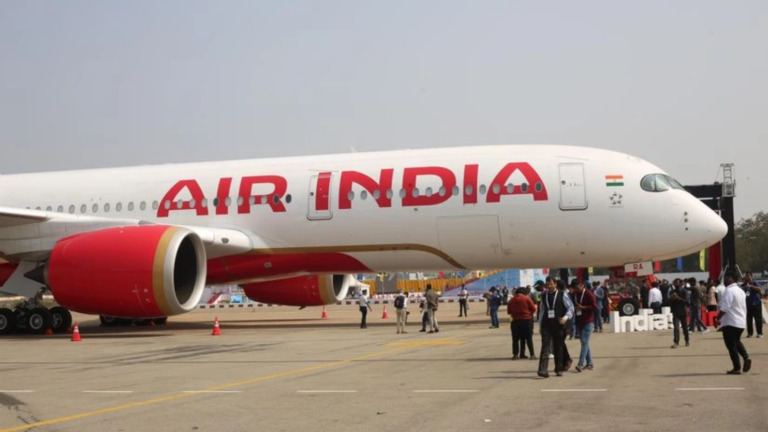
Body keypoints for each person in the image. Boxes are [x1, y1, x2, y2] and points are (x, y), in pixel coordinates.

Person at [537, 278, 574, 378]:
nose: (549, 286)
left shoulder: (562, 294)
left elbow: (571, 308)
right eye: (547, 284)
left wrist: (565, 318)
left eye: (551, 284)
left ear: (555, 284)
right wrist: (540, 325)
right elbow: (542, 311)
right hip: (546, 324)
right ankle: (542, 370)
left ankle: (559, 369)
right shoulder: (543, 295)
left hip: (558, 324)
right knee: (545, 346)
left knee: (558, 347)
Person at [718, 272, 752, 374]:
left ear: (732, 279)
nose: (724, 280)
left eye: (727, 278)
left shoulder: (729, 290)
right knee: (736, 341)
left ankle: (737, 368)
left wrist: (717, 318)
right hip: (740, 322)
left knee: (731, 345)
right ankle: (746, 357)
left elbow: (725, 308)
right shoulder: (740, 290)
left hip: (731, 322)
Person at [572, 279, 597, 372]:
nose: (575, 290)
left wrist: (583, 307)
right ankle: (590, 363)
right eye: (574, 288)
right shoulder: (575, 294)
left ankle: (580, 364)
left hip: (588, 321)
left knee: (585, 342)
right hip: (579, 321)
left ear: (582, 285)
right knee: (584, 343)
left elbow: (595, 307)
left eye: (577, 288)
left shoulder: (589, 294)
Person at [508, 287, 537, 359]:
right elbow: (533, 309)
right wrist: (529, 313)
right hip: (526, 320)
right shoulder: (527, 298)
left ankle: (515, 355)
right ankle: (532, 355)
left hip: (515, 321)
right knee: (528, 338)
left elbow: (509, 311)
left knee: (515, 339)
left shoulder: (511, 300)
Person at [669, 279, 690, 348]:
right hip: (675, 312)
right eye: (675, 283)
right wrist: (671, 299)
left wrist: (678, 298)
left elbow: (687, 302)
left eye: (677, 283)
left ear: (680, 284)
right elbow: (669, 302)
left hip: (683, 312)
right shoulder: (672, 292)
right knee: (676, 328)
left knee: (685, 328)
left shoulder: (684, 291)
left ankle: (687, 340)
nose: (676, 285)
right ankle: (676, 342)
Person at [743, 272, 764, 338]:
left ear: (751, 276)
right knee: (749, 319)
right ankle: (750, 333)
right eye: (746, 276)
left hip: (756, 304)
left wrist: (751, 286)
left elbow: (759, 289)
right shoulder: (744, 284)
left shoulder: (754, 283)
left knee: (758, 319)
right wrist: (744, 284)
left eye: (748, 276)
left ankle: (760, 333)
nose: (747, 277)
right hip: (748, 305)